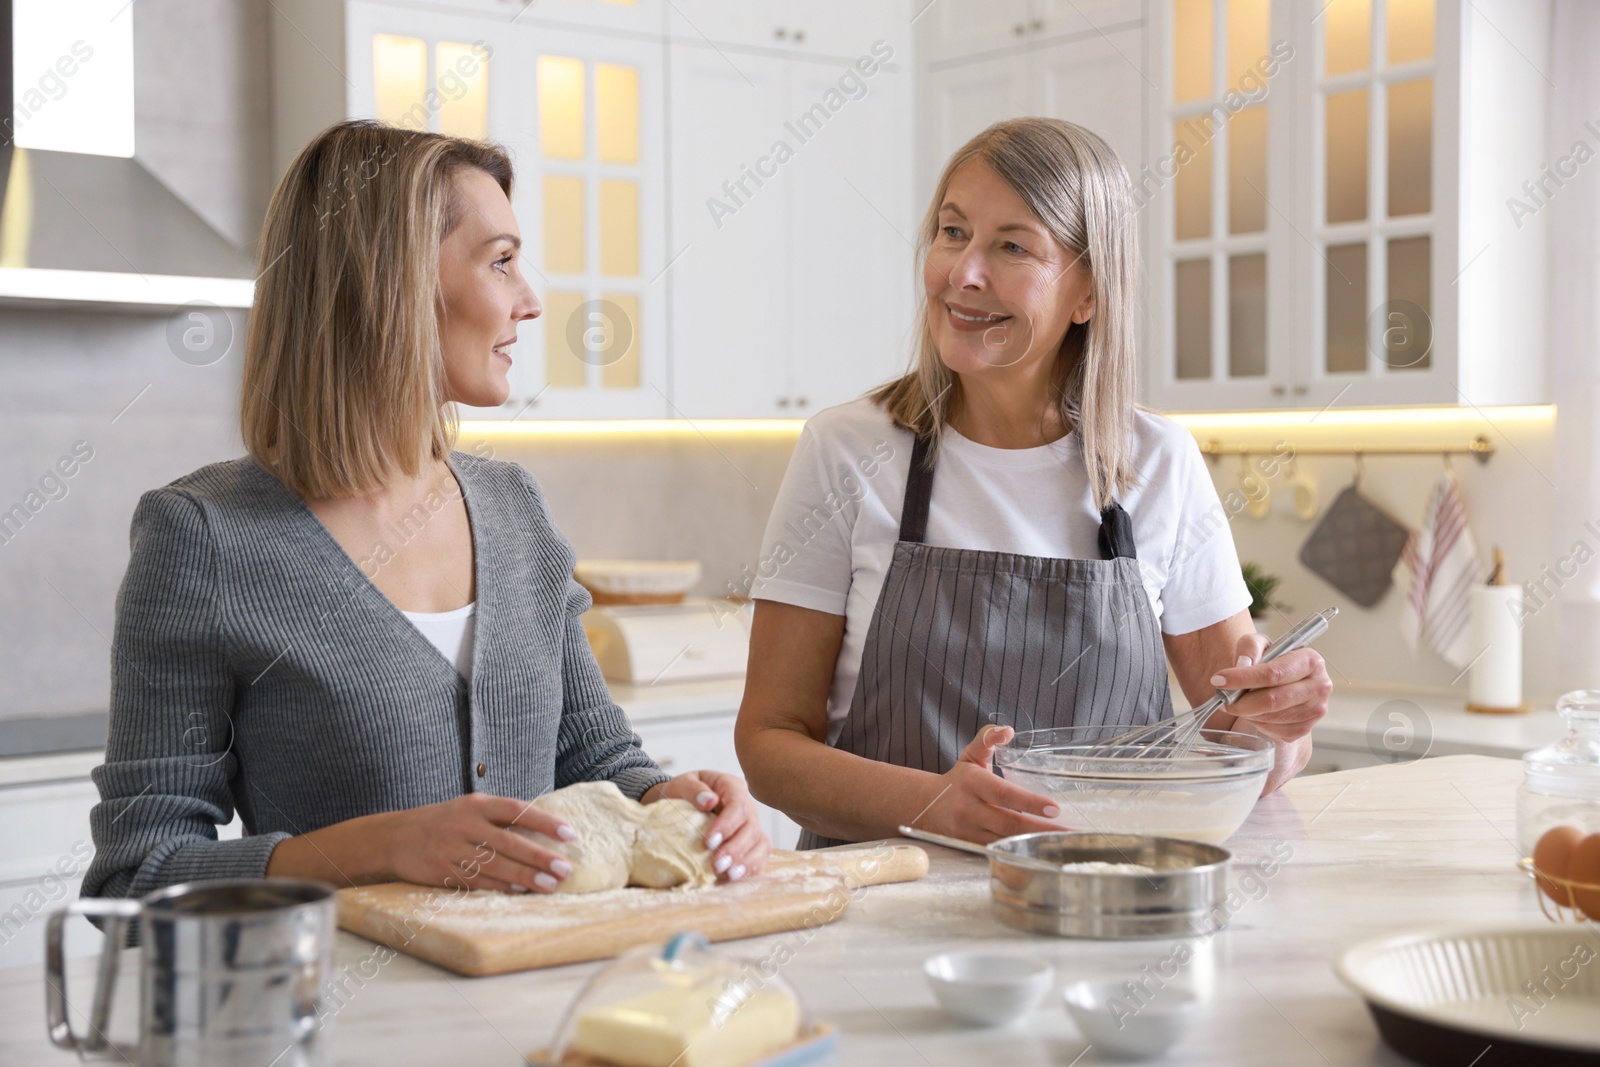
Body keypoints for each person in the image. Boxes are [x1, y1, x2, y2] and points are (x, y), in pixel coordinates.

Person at [83, 121, 769, 912]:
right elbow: (133, 882)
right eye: (501, 261)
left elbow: (595, 755)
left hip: (541, 1004)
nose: (530, 300)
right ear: (392, 280)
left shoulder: (515, 509)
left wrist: (672, 800)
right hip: (349, 1023)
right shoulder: (203, 538)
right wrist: (380, 847)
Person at [735, 118, 1332, 849]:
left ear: (1088, 292)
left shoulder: (1160, 463)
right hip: (880, 911)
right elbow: (768, 741)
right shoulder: (847, 450)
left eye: (1011, 246)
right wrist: (936, 804)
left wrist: (1283, 726)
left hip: (1104, 905)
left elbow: (1242, 736)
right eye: (953, 233)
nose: (963, 273)